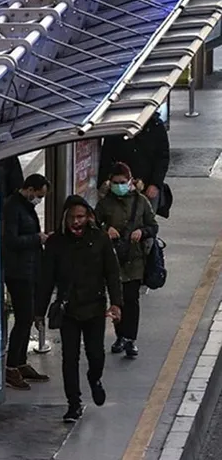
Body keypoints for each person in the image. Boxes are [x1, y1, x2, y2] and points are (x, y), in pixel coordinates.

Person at [39, 195, 123, 422]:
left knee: (96, 354)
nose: (76, 222)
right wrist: (39, 310)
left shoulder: (100, 239)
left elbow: (112, 274)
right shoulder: (56, 243)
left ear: (88, 217)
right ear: (65, 218)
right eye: (72, 218)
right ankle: (73, 404)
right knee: (70, 358)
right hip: (69, 309)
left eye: (81, 217)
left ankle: (94, 378)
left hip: (95, 307)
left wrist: (116, 303)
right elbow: (47, 279)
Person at [94, 162, 159, 359]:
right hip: (112, 259)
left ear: (130, 181)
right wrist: (105, 229)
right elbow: (94, 225)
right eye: (115, 182)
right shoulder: (105, 203)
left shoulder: (141, 202)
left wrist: (142, 231)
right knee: (117, 299)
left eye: (122, 182)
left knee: (132, 299)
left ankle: (130, 338)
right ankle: (120, 335)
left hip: (135, 258)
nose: (119, 186)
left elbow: (153, 226)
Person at [1, 173, 52, 390]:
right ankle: (11, 367)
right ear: (29, 189)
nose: (39, 199)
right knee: (23, 319)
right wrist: (36, 238)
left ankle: (20, 363)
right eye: (38, 195)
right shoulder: (13, 207)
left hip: (28, 269)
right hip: (18, 272)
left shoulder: (24, 206)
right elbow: (10, 239)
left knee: (27, 318)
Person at [99, 113, 170, 212]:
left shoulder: (155, 126)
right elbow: (106, 156)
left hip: (147, 185)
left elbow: (162, 158)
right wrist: (105, 182)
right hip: (120, 185)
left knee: (146, 219)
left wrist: (155, 183)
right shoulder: (117, 127)